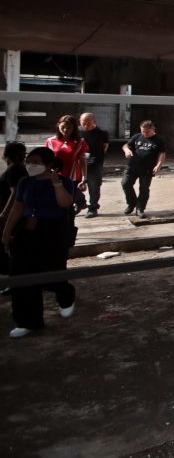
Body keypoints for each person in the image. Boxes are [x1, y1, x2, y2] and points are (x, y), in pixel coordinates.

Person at [2, 147, 77, 338]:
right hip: (28, 230)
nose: (31, 165)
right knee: (22, 275)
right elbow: (18, 207)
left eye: (36, 162)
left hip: (53, 230)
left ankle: (65, 296)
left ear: (49, 163)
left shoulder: (63, 181)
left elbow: (65, 204)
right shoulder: (24, 182)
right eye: (29, 161)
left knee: (52, 271)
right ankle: (28, 321)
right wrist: (6, 232)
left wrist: (56, 183)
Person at [121, 120, 167, 218]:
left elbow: (161, 154)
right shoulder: (137, 136)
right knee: (125, 183)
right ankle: (131, 203)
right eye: (142, 131)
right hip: (132, 166)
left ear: (152, 129)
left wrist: (158, 165)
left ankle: (140, 208)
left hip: (147, 169)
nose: (144, 134)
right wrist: (127, 150)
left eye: (146, 132)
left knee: (144, 189)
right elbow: (126, 145)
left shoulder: (159, 140)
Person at [45, 114, 88, 211]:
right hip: (56, 175)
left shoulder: (80, 142)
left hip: (73, 176)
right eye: (63, 127)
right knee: (57, 202)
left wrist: (85, 178)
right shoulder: (50, 141)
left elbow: (82, 160)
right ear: (58, 125)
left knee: (68, 203)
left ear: (74, 128)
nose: (65, 130)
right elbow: (46, 160)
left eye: (69, 128)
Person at [0, 142, 29, 279]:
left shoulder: (14, 170)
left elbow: (15, 193)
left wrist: (4, 213)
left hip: (12, 214)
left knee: (11, 246)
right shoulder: (20, 168)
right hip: (15, 213)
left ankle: (14, 278)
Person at [79, 112, 110, 217]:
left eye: (88, 123)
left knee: (94, 187)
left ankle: (93, 208)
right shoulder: (78, 133)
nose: (85, 126)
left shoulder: (102, 133)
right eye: (83, 123)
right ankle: (80, 203)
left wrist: (97, 157)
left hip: (95, 164)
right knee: (75, 185)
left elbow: (105, 146)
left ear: (94, 121)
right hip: (79, 164)